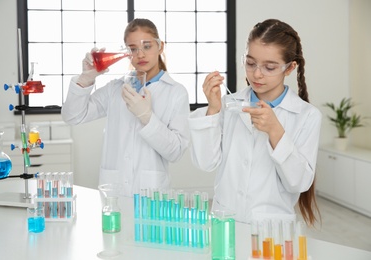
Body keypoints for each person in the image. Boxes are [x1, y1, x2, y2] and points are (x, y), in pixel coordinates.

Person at [188, 19, 321, 226]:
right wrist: (213, 110)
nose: (257, 74)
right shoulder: (229, 105)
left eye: (269, 67)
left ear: (290, 68)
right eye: (250, 63)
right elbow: (206, 163)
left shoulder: (307, 115)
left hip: (271, 228)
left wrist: (275, 131)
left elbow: (299, 182)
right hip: (225, 220)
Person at [62, 18, 190, 196]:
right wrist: (86, 79)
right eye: (133, 48)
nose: (140, 55)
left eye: (147, 46)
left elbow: (175, 152)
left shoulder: (176, 92)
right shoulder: (115, 89)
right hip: (114, 189)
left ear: (160, 47)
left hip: (151, 194)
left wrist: (147, 116)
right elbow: (73, 116)